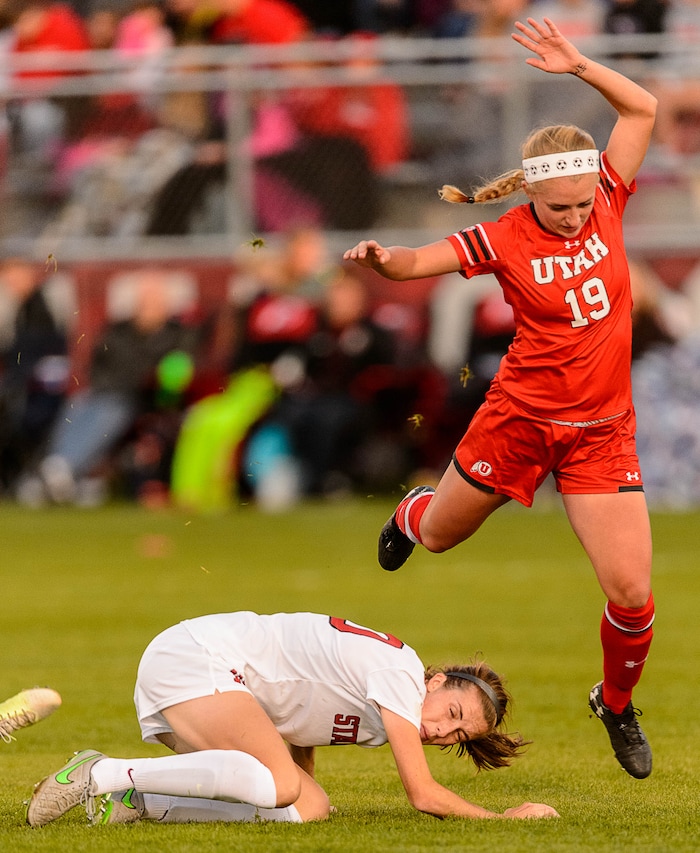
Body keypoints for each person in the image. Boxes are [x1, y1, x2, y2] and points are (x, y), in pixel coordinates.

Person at [343, 17, 658, 781]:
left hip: (601, 433)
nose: (578, 215)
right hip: (517, 421)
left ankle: (614, 702)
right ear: (532, 192)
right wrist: (387, 261)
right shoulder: (506, 235)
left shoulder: (607, 194)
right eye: (562, 208)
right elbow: (428, 256)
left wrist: (580, 65)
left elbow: (641, 109)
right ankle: (411, 511)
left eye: (585, 204)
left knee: (633, 594)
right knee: (442, 537)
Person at [26, 611, 558, 827]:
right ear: (438, 681)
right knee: (280, 785)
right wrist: (501, 820)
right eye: (453, 713)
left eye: (458, 734)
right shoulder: (403, 675)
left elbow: (298, 721)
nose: (442, 731)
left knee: (308, 806)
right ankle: (99, 774)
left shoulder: (397, 697)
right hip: (196, 658)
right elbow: (422, 795)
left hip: (212, 682)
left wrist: (300, 780)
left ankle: (138, 802)